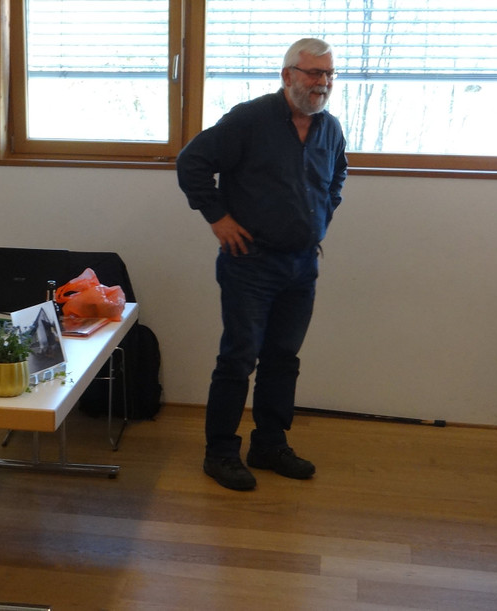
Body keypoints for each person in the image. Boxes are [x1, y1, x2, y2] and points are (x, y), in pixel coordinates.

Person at [176, 38, 348, 492]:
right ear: (288, 75)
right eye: (314, 73)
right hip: (250, 263)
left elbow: (337, 177)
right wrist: (218, 218)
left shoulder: (330, 128)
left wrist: (321, 218)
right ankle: (220, 453)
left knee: (283, 359)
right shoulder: (249, 119)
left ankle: (269, 445)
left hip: (302, 265)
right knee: (238, 359)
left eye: (329, 74)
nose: (323, 82)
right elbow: (192, 162)